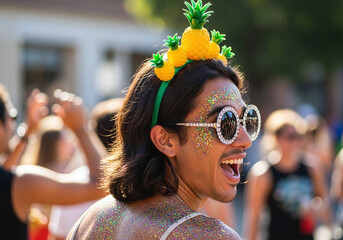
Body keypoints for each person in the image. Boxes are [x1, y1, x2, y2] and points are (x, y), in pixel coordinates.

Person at [67, 1, 261, 239]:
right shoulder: (209, 236)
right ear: (165, 140)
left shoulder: (92, 219)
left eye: (247, 120)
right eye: (226, 123)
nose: (245, 140)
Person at [0, 85, 106, 239]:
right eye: (13, 116)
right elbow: (101, 186)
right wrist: (81, 130)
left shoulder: (14, 183)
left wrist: (28, 132)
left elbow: (5, 173)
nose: (13, 124)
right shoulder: (21, 184)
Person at [244, 109, 331, 240]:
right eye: (290, 137)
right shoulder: (263, 173)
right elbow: (254, 216)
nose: (295, 142)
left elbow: (324, 199)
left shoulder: (311, 167)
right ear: (275, 138)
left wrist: (316, 207)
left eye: (299, 136)